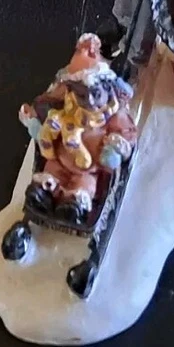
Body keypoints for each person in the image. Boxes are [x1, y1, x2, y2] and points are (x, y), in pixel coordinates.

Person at [18, 34, 137, 223]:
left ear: (106, 86)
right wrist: (34, 120)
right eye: (81, 94)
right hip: (60, 157)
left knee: (85, 183)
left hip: (90, 167)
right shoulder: (65, 106)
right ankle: (43, 194)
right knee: (52, 170)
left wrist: (116, 147)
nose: (89, 100)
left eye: (95, 93)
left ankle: (74, 203)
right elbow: (46, 111)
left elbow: (126, 133)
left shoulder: (113, 112)